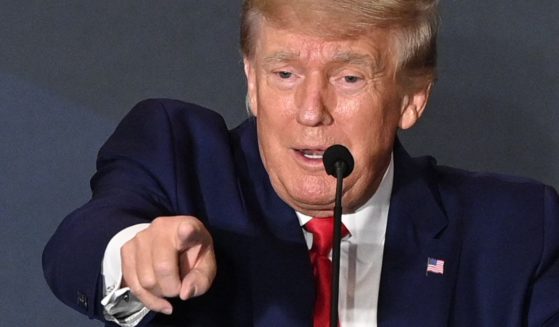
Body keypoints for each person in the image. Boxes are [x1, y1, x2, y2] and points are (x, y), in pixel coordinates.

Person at [43, 0, 559, 326]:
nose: (312, 111)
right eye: (285, 73)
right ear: (251, 77)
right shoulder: (180, 156)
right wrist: (134, 253)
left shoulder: (515, 231)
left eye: (349, 77)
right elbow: (83, 242)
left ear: (411, 100)